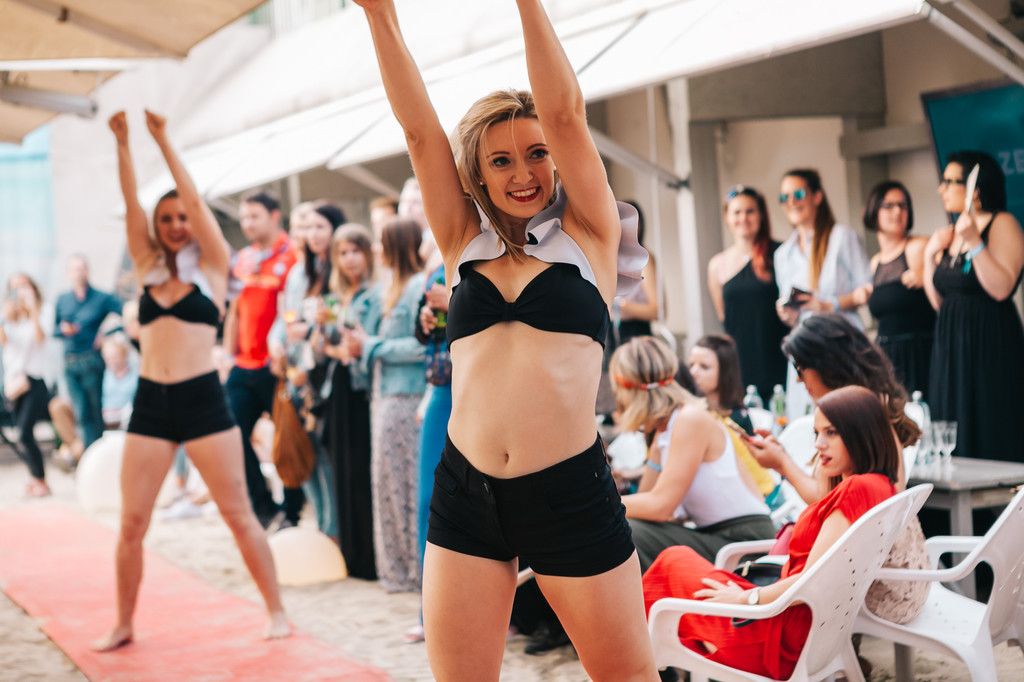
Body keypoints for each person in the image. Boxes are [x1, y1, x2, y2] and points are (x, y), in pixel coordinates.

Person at [355, 1, 657, 679]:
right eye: (501, 160)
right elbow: (420, 136)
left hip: (569, 492)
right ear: (479, 174)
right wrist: (379, 16)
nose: (522, 173)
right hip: (466, 492)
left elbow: (566, 113)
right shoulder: (461, 241)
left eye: (536, 154)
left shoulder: (590, 235)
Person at [94, 110, 287, 651]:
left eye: (182, 217)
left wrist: (162, 141)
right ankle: (123, 622)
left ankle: (276, 610)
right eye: (167, 218)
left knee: (238, 514)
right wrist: (124, 144)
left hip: (203, 400)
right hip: (151, 403)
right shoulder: (148, 266)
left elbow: (198, 205)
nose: (177, 224)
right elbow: (131, 205)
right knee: (131, 523)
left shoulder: (216, 266)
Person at [642, 386, 899, 680]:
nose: (818, 444)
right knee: (675, 562)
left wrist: (745, 599)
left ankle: (638, 664)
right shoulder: (879, 486)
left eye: (831, 433)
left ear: (861, 433)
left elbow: (812, 582)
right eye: (816, 433)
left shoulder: (856, 489)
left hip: (775, 636)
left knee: (669, 567)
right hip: (801, 627)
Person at [610, 337, 775, 572]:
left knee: (627, 531)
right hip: (718, 535)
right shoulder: (668, 427)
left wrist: (599, 505)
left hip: (744, 542)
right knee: (624, 526)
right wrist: (656, 452)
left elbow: (660, 506)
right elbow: (647, 504)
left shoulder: (689, 419)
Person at [923, 151, 1024, 461]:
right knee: (953, 424)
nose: (941, 189)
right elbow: (940, 303)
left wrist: (975, 242)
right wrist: (929, 257)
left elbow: (1001, 288)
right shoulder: (951, 232)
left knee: (991, 423)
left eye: (949, 182)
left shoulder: (1002, 223)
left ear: (974, 190)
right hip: (951, 345)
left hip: (988, 342)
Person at [345, 217, 426, 593]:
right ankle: (396, 569)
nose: (376, 250)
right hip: (383, 395)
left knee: (406, 485)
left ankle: (413, 569)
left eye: (381, 242)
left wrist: (373, 346)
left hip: (407, 396)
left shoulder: (416, 288)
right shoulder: (387, 289)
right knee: (388, 485)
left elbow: (422, 347)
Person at [223, 189, 302, 529]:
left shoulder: (293, 254)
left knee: (288, 438)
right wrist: (227, 355)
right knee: (229, 434)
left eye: (253, 216)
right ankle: (264, 508)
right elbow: (235, 310)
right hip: (243, 365)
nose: (247, 223)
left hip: (277, 366)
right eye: (243, 217)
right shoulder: (242, 259)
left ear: (274, 216)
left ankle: (292, 511)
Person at [268, 202, 346, 539]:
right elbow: (284, 320)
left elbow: (340, 322)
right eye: (307, 227)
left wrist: (312, 330)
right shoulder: (299, 273)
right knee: (303, 452)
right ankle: (322, 526)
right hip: (298, 372)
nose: (312, 235)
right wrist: (278, 343)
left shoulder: (341, 270)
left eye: (319, 227)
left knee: (327, 455)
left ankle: (333, 529)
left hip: (328, 375)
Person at [774, 169, 870, 421]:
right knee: (807, 418)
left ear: (817, 196)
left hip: (841, 340)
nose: (791, 202)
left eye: (798, 194)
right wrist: (787, 312)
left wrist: (828, 305)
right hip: (804, 344)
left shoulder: (841, 237)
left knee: (848, 414)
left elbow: (866, 290)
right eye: (784, 197)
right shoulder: (783, 254)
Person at [321, 223, 380, 579]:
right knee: (342, 467)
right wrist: (323, 332)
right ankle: (351, 553)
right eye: (342, 253)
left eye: (355, 251)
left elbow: (366, 342)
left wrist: (348, 348)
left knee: (361, 469)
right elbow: (330, 346)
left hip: (363, 388)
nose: (349, 259)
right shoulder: (338, 296)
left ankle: (368, 556)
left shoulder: (375, 294)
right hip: (341, 384)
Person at [707, 186, 789, 405]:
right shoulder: (717, 265)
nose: (743, 218)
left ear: (761, 215)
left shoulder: (781, 253)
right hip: (741, 364)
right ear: (727, 217)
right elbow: (724, 317)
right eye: (737, 212)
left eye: (750, 211)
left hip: (778, 356)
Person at [855, 181, 935, 399]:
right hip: (887, 359)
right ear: (873, 211)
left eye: (903, 205)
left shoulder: (918, 247)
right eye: (889, 206)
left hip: (919, 355)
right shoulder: (875, 263)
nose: (898, 211)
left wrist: (926, 276)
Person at [687, 334, 775, 497]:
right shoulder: (693, 411)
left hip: (758, 496)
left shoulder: (736, 418)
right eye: (691, 365)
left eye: (704, 367)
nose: (693, 372)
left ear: (724, 372)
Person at [53, 254, 122, 450]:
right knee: (81, 412)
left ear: (87, 271)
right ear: (68, 273)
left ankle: (97, 452)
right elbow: (55, 330)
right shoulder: (63, 300)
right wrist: (63, 329)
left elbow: (126, 314)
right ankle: (87, 454)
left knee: (94, 410)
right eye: (74, 269)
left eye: (81, 268)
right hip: (70, 362)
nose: (78, 273)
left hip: (91, 361)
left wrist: (106, 332)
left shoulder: (101, 298)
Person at [1, 273, 52, 497]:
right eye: (15, 288)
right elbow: (4, 342)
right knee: (22, 433)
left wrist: (32, 311)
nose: (20, 292)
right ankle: (34, 477)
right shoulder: (10, 316)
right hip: (14, 382)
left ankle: (41, 479)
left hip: (35, 380)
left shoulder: (44, 310)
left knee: (24, 433)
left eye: (23, 286)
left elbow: (40, 338)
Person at [614, 200, 660, 346]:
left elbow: (657, 310)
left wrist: (621, 306)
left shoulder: (644, 260)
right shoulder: (610, 257)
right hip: (610, 335)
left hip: (636, 336)